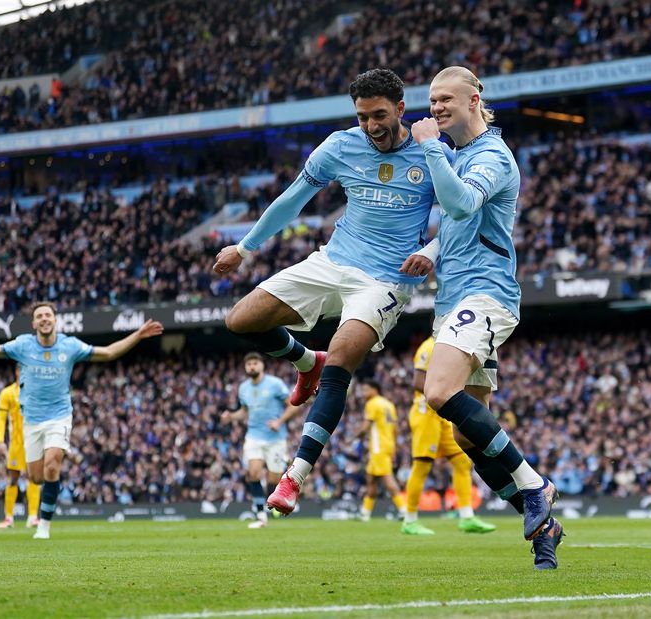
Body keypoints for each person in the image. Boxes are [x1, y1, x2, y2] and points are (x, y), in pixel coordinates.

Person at [212, 69, 445, 515]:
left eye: (380, 115)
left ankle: (294, 476)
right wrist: (244, 248)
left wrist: (432, 250)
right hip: (333, 259)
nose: (372, 126)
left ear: (400, 109)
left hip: (386, 278)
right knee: (240, 320)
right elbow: (293, 198)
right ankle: (306, 360)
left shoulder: (430, 150)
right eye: (362, 117)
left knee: (341, 357)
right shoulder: (341, 145)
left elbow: (457, 214)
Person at [408, 66, 563, 569]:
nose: (436, 108)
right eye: (432, 101)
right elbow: (461, 221)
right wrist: (432, 250)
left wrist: (431, 147)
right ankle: (544, 527)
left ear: (474, 100)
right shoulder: (462, 156)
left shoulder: (492, 155)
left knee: (437, 392)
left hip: (485, 292)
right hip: (455, 296)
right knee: (467, 435)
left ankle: (535, 485)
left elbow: (460, 201)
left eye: (446, 99)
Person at [0, 302, 163, 539]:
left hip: (59, 416)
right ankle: (47, 494)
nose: (45, 319)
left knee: (52, 463)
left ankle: (44, 525)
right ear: (34, 323)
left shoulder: (70, 345)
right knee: (36, 477)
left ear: (55, 319)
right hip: (32, 421)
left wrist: (138, 335)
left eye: (48, 315)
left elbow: (109, 352)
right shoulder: (23, 345)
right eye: (40, 316)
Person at [401, 335, 495, 535]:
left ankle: (467, 517)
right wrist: (445, 388)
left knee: (462, 461)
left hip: (444, 412)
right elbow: (418, 381)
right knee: (422, 464)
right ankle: (409, 520)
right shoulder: (428, 346)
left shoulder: (452, 344)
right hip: (426, 413)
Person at [221, 352, 304, 528]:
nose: (252, 366)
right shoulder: (243, 388)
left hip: (275, 438)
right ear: (245, 367)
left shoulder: (275, 384)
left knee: (274, 479)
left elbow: (294, 405)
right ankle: (260, 515)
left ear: (262, 366)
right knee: (253, 473)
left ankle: (273, 504)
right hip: (253, 436)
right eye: (248, 364)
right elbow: (244, 411)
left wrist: (279, 421)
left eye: (255, 363)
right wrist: (231, 416)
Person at [0, 365, 41, 529]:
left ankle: (33, 517)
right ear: (16, 372)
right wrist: (0, 440)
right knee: (13, 478)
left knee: (34, 477)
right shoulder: (7, 393)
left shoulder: (36, 391)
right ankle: (9, 518)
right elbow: (1, 418)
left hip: (33, 440)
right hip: (16, 443)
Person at [356, 379, 405, 522]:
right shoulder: (388, 404)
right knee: (371, 479)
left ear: (374, 390)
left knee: (387, 478)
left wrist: (355, 436)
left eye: (365, 390)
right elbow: (395, 429)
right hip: (387, 445)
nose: (363, 393)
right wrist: (394, 447)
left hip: (378, 447)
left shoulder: (372, 404)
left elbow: (365, 427)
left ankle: (404, 511)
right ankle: (365, 513)